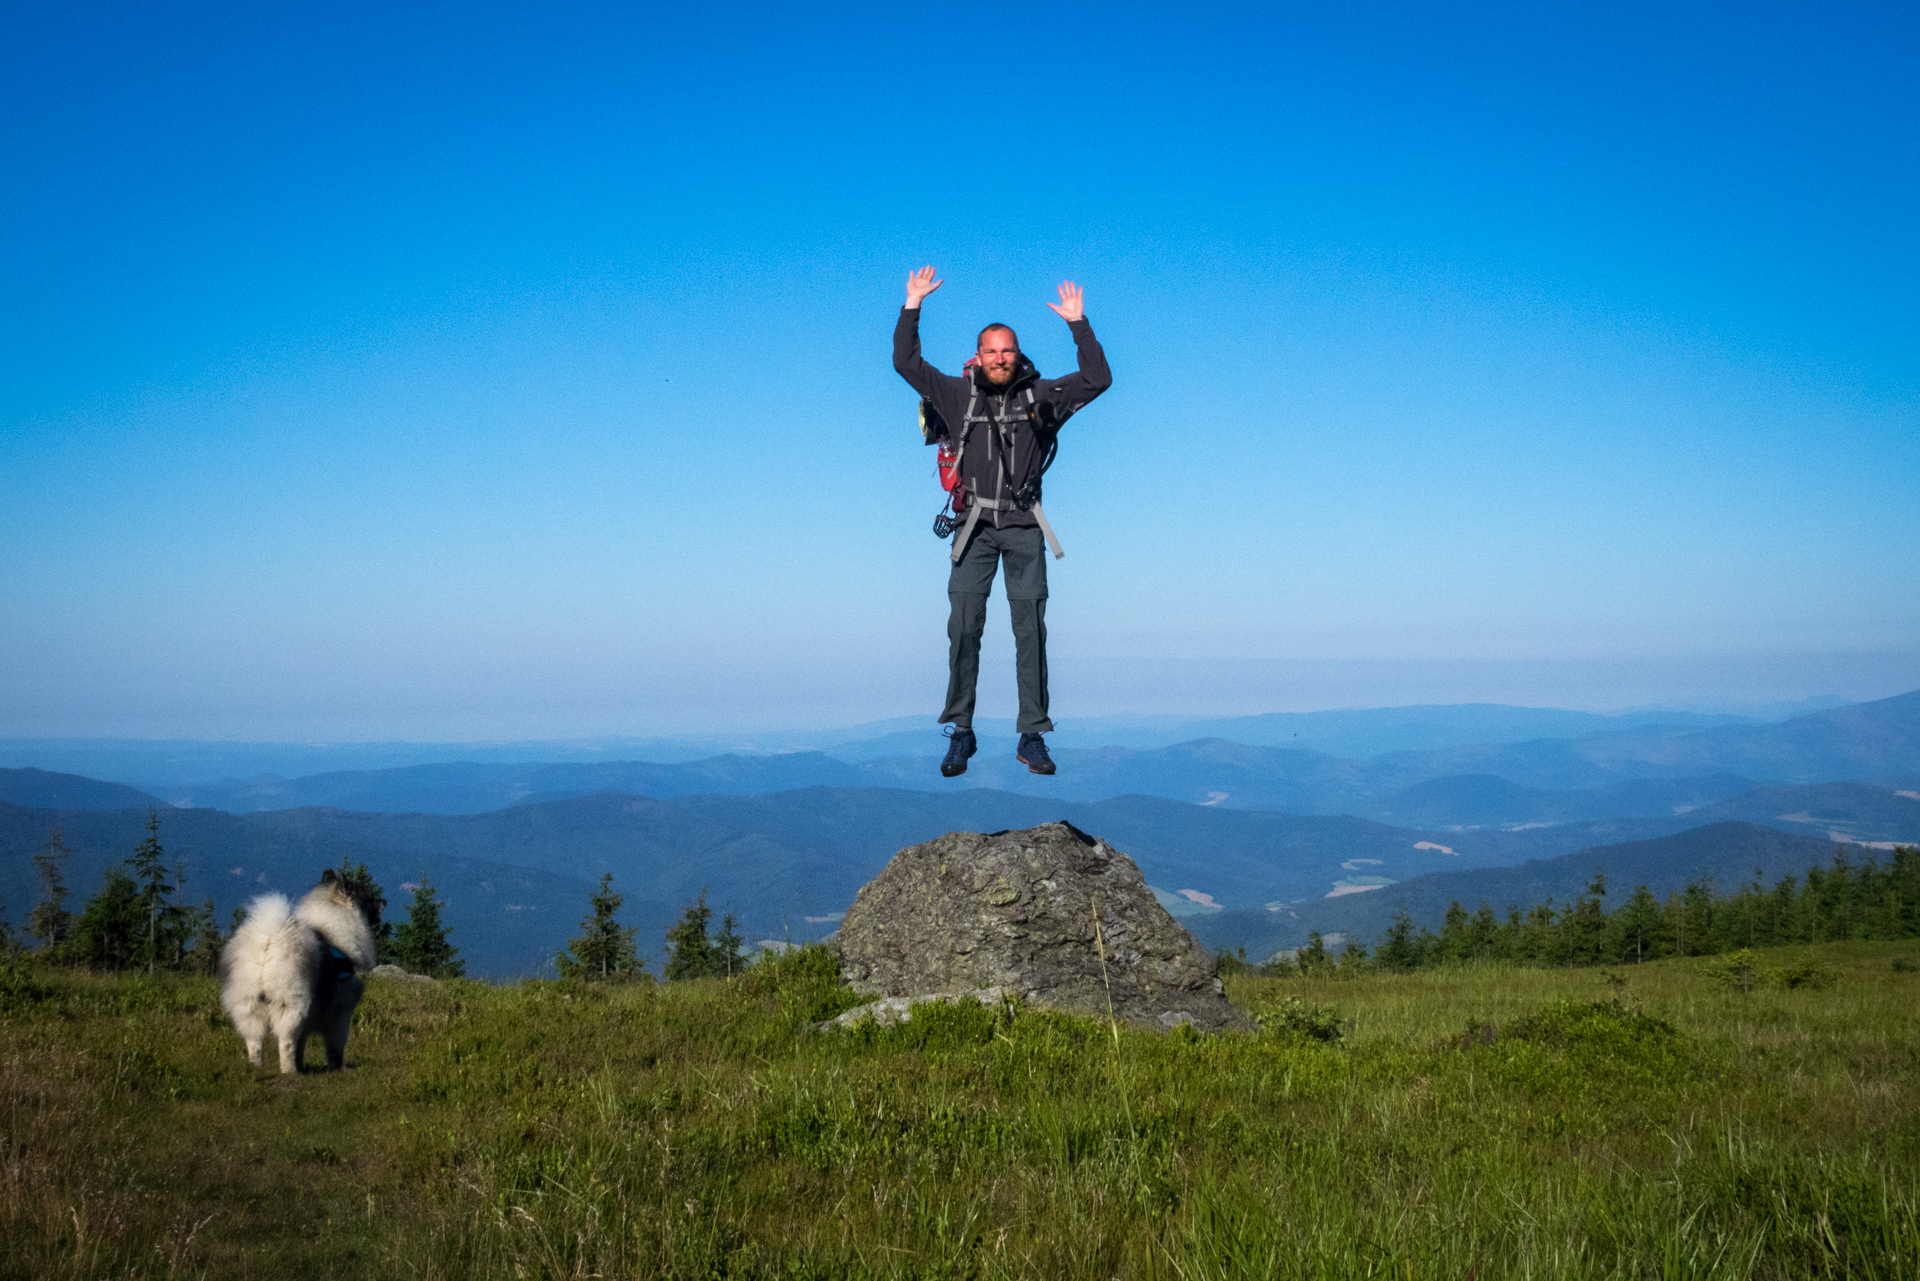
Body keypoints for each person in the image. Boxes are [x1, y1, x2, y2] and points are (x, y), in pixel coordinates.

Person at [893, 266, 1113, 777]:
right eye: (991, 351)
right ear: (979, 355)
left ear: (1018, 355)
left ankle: (1032, 736)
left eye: (1007, 350)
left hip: (1024, 528)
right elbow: (905, 361)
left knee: (1029, 630)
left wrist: (1079, 325)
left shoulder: (1044, 397)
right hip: (974, 529)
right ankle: (961, 732)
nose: (1000, 358)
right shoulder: (955, 395)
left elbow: (1098, 379)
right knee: (964, 626)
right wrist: (912, 304)